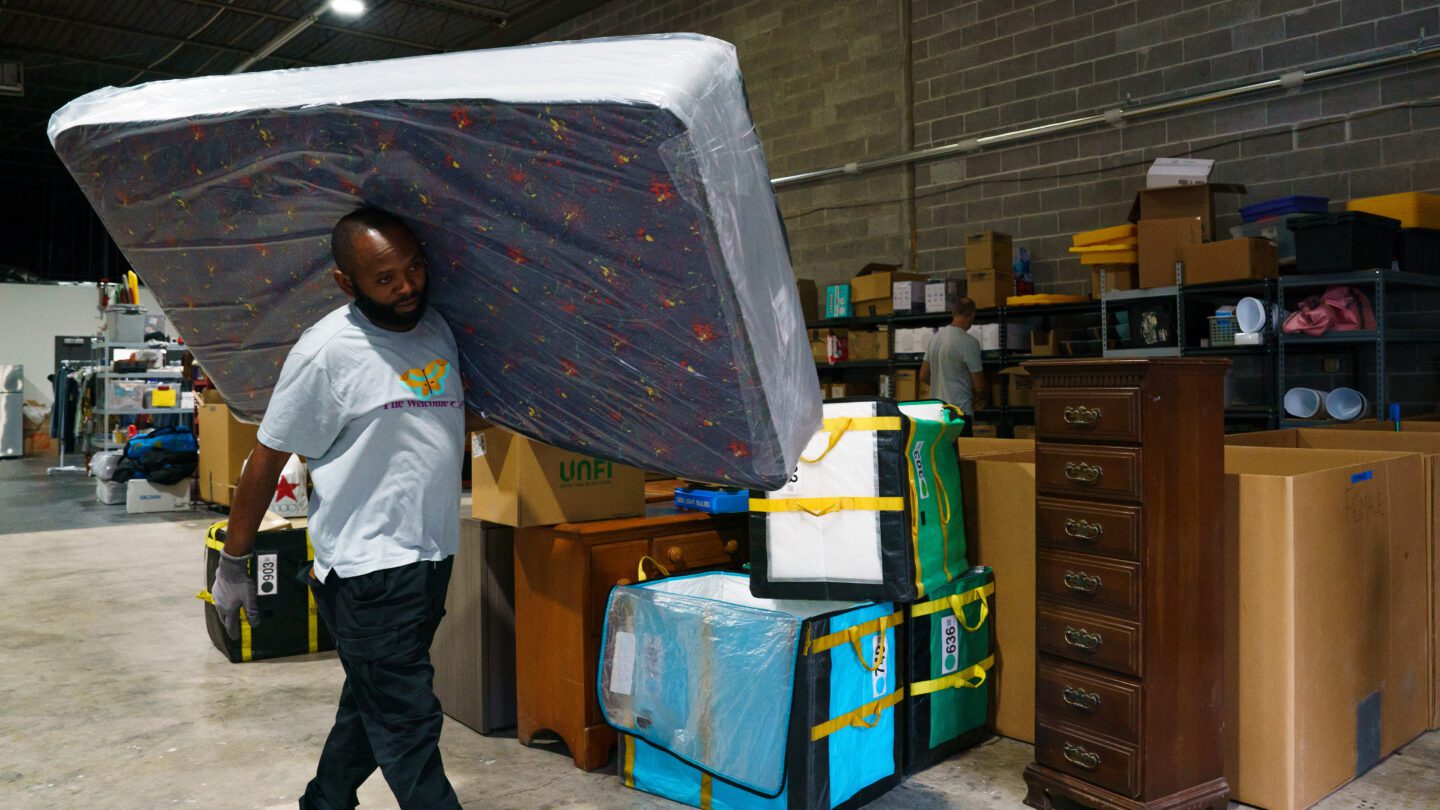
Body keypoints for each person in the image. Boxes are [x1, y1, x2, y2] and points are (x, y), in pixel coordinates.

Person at [209, 208, 489, 810]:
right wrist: (235, 559)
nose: (407, 286)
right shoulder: (327, 353)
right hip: (367, 572)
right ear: (347, 283)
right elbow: (265, 457)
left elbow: (439, 417)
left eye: (413, 267)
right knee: (410, 726)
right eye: (385, 278)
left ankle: (324, 803)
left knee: (373, 706)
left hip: (430, 556)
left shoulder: (435, 327)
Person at [919, 295, 987, 436]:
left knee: (942, 456)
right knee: (961, 455)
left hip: (938, 413)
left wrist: (943, 385)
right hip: (959, 413)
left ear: (953, 313)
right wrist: (981, 398)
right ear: (972, 315)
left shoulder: (935, 338)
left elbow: (923, 375)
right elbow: (979, 386)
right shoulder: (969, 342)